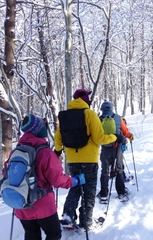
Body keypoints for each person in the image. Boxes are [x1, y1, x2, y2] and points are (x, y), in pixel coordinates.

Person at [54, 89, 124, 230]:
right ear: (86, 99)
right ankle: (86, 222)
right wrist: (115, 137)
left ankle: (68, 215)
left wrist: (57, 152)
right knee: (89, 191)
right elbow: (99, 139)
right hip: (89, 160)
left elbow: (58, 139)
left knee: (75, 187)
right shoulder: (90, 114)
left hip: (72, 160)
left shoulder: (65, 116)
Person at [8, 114, 85, 240]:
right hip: (43, 206)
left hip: (21, 204)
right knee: (54, 234)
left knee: (31, 235)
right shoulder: (45, 153)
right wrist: (74, 181)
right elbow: (58, 180)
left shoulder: (16, 151)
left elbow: (7, 174)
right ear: (38, 130)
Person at [97, 101, 134, 203]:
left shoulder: (99, 119)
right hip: (117, 148)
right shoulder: (118, 118)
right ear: (112, 108)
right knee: (119, 169)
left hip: (105, 148)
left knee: (105, 170)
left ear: (102, 109)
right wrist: (130, 136)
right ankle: (121, 193)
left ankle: (104, 194)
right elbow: (125, 131)